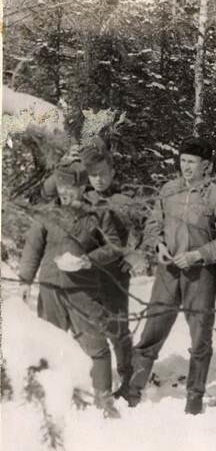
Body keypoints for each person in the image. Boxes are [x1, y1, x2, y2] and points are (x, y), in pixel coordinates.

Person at [127, 136, 216, 415]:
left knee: (200, 336)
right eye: (183, 160)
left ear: (206, 165)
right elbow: (153, 224)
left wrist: (197, 255)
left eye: (192, 162)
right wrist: (159, 245)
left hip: (201, 275)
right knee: (153, 329)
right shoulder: (169, 189)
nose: (186, 166)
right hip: (168, 271)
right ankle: (132, 390)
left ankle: (194, 397)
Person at [19, 161, 124, 418]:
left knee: (96, 344)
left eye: (72, 189)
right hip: (50, 287)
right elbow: (33, 248)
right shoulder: (47, 213)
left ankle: (104, 399)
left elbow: (115, 246)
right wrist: (25, 279)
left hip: (83, 288)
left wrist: (90, 260)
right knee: (48, 343)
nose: (66, 194)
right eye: (63, 188)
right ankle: (44, 399)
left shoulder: (98, 214)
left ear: (83, 187)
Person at [80, 142, 146, 401]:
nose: (98, 179)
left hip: (115, 274)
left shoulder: (123, 202)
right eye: (93, 174)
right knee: (91, 325)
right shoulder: (82, 200)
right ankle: (97, 377)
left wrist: (133, 254)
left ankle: (127, 377)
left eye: (103, 173)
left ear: (113, 173)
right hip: (87, 273)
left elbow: (139, 231)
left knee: (118, 326)